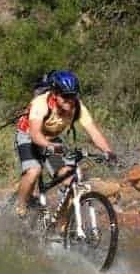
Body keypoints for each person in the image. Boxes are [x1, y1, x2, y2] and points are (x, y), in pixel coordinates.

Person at [13, 70, 115, 216]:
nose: (70, 100)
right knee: (33, 171)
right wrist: (51, 147)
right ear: (55, 94)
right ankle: (21, 207)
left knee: (69, 179)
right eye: (65, 96)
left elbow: (94, 132)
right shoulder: (41, 103)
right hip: (28, 136)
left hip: (51, 139)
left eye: (73, 96)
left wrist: (108, 152)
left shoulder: (77, 107)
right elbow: (35, 134)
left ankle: (61, 230)